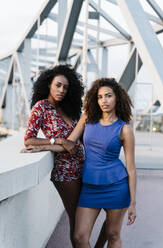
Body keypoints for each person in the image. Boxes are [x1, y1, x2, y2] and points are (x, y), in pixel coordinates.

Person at [21, 65, 107, 248]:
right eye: (57, 85)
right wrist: (58, 140)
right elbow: (28, 139)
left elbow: (80, 137)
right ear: (49, 85)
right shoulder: (41, 107)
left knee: (104, 211)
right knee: (77, 220)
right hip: (65, 172)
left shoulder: (69, 108)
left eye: (65, 87)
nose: (61, 90)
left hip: (84, 167)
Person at [55, 77, 137, 248]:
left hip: (117, 186)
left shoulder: (125, 129)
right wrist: (40, 145)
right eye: (100, 97)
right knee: (79, 237)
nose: (104, 101)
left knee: (113, 234)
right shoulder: (87, 119)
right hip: (90, 186)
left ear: (117, 98)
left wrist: (133, 203)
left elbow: (131, 167)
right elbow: (68, 143)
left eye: (108, 96)